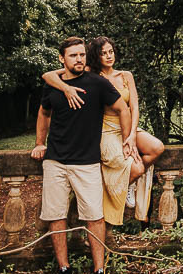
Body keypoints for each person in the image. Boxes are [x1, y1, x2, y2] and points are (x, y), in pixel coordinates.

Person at [31, 36, 128, 274]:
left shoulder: (97, 83)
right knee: (55, 215)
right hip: (55, 161)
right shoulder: (53, 84)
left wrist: (127, 139)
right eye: (73, 55)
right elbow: (44, 112)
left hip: (87, 163)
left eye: (82, 55)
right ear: (62, 59)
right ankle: (64, 269)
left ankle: (99, 272)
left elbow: (122, 108)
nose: (79, 59)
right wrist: (40, 142)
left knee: (95, 217)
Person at [42, 36, 165, 225]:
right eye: (103, 53)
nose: (108, 56)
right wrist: (66, 88)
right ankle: (125, 183)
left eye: (111, 52)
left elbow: (134, 107)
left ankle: (128, 184)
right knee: (136, 166)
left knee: (157, 148)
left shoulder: (126, 75)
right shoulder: (91, 73)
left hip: (127, 125)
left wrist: (131, 137)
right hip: (106, 127)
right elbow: (48, 76)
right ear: (95, 56)